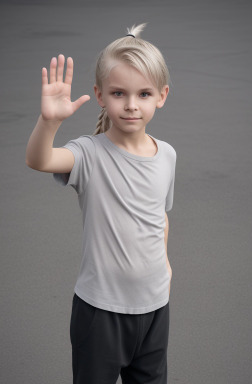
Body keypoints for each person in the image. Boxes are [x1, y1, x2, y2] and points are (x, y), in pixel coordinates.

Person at [26, 23, 177, 384]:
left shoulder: (167, 155)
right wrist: (49, 122)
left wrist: (166, 267)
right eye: (118, 93)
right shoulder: (89, 153)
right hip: (100, 313)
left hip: (155, 307)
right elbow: (40, 160)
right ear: (99, 95)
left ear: (162, 95)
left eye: (143, 94)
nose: (130, 105)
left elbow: (160, 216)